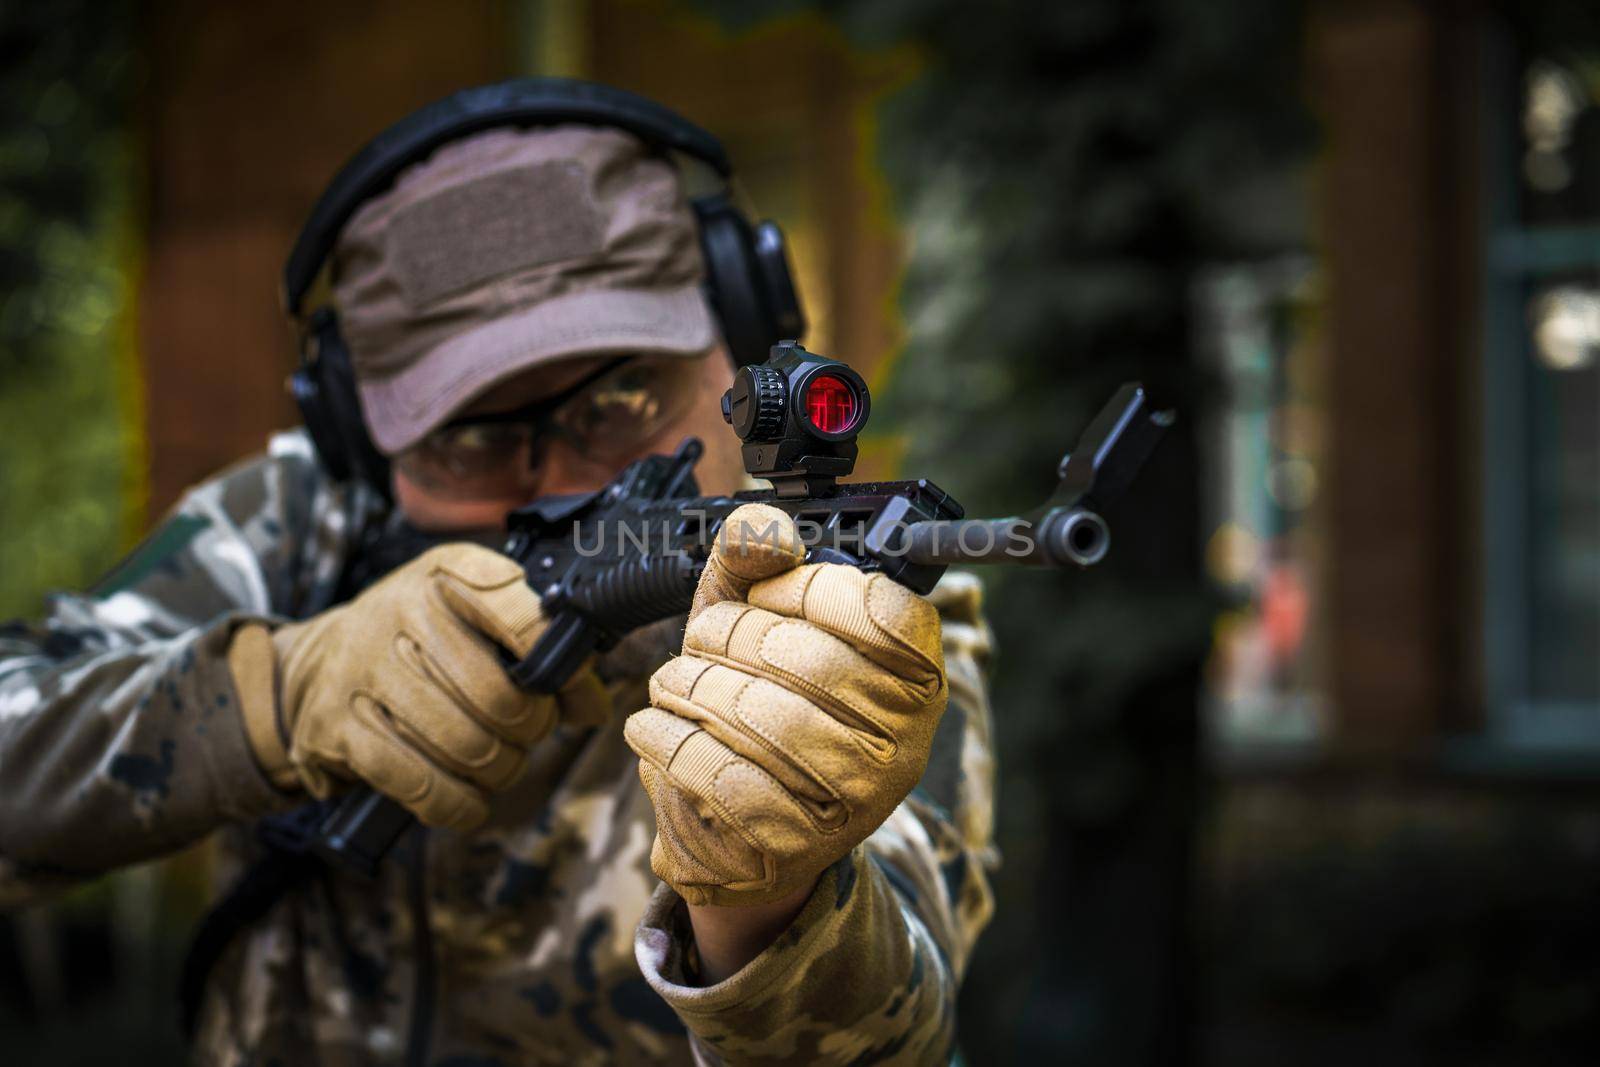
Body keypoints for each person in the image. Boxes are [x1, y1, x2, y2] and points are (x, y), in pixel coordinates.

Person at [0, 80, 997, 1065]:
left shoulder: (856, 585)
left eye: (624, 392)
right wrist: (272, 697)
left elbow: (900, 1036)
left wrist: (763, 907)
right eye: (471, 436)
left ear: (732, 343)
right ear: (360, 436)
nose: (563, 474)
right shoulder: (292, 529)